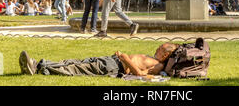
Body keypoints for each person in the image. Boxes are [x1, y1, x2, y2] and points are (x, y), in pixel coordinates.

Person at [18, 42, 179, 77]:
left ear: (165, 55)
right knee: (73, 62)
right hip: (111, 61)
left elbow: (140, 74)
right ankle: (37, 64)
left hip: (115, 66)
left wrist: (124, 57)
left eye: (160, 48)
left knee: (77, 69)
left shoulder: (158, 66)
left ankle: (38, 66)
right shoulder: (154, 59)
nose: (157, 48)